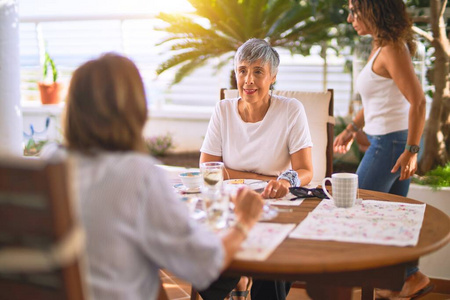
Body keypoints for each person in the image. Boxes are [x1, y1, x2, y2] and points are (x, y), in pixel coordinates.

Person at [42, 53, 264, 300]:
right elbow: (205, 265)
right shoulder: (137, 175)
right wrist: (244, 222)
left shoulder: (49, 163)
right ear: (134, 107)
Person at [199, 38, 314, 299]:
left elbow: (306, 170)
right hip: (230, 209)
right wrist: (261, 177)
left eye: (258, 72)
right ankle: (238, 277)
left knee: (271, 271)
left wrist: (284, 181)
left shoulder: (291, 110)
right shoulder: (222, 110)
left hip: (276, 208)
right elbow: (208, 168)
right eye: (242, 70)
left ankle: (245, 279)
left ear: (272, 77)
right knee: (209, 276)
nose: (248, 80)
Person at [334, 1, 432, 299]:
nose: (350, 18)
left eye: (354, 10)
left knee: (353, 206)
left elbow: (418, 101)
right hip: (391, 141)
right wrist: (352, 129)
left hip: (392, 143)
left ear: (373, 10)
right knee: (391, 214)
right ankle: (407, 278)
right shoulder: (382, 47)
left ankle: (374, 280)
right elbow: (376, 97)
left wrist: (412, 150)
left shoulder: (392, 49)